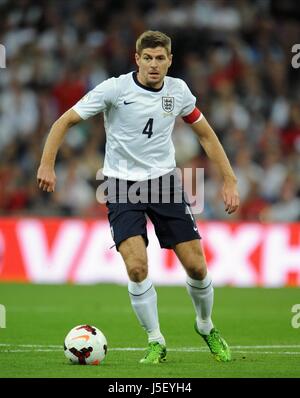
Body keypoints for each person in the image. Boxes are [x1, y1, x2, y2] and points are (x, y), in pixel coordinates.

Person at [37, 30, 240, 364]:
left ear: (170, 61)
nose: (154, 65)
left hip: (164, 184)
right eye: (148, 58)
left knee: (197, 266)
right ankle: (156, 340)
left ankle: (205, 326)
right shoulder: (115, 89)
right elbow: (64, 121)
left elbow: (205, 134)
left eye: (160, 58)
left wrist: (229, 180)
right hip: (121, 186)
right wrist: (47, 164)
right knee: (135, 267)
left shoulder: (179, 91)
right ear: (137, 59)